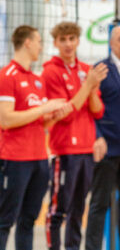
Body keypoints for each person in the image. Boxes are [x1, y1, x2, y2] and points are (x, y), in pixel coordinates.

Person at [0, 25, 69, 250]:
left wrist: (54, 116)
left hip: (39, 158)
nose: (41, 46)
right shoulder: (7, 75)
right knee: (4, 220)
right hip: (14, 159)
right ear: (27, 42)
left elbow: (39, 121)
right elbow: (6, 119)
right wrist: (44, 109)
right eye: (39, 41)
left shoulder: (36, 80)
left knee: (28, 219)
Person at [42, 21, 108, 250]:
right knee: (58, 210)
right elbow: (65, 114)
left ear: (78, 40)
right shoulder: (50, 71)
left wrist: (90, 88)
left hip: (86, 149)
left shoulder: (85, 69)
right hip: (64, 150)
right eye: (63, 39)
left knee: (78, 209)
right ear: (56, 43)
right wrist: (88, 84)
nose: (68, 44)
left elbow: (97, 110)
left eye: (72, 38)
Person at [85, 25, 120, 250]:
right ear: (111, 43)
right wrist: (97, 136)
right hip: (106, 149)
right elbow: (89, 108)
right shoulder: (100, 69)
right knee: (99, 205)